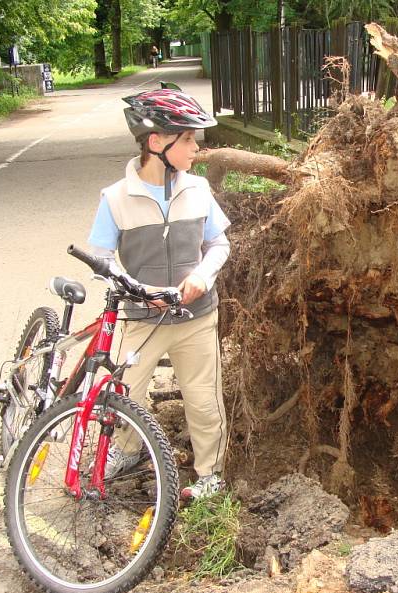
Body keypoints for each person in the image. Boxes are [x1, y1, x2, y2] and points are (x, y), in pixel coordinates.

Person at [87, 87, 230, 501]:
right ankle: (128, 452)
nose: (195, 147)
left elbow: (219, 244)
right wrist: (135, 289)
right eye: (186, 139)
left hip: (195, 317)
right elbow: (100, 259)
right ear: (156, 143)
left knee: (204, 400)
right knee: (125, 394)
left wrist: (203, 275)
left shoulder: (199, 190)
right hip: (141, 321)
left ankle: (210, 473)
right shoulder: (115, 199)